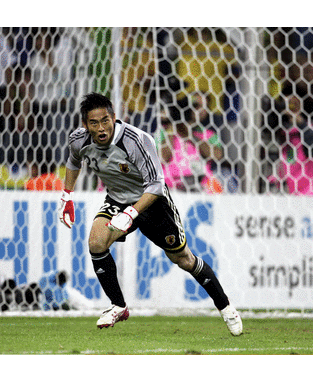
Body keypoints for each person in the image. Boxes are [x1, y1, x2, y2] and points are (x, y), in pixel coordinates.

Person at [58, 93, 242, 336]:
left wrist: (132, 212)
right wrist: (67, 196)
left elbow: (156, 185)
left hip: (152, 202)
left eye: (105, 121)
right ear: (85, 125)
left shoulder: (136, 140)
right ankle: (118, 306)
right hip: (118, 199)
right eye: (94, 123)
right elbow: (74, 161)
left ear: (114, 117)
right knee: (96, 242)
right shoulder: (78, 140)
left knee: (183, 259)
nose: (101, 128)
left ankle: (226, 307)